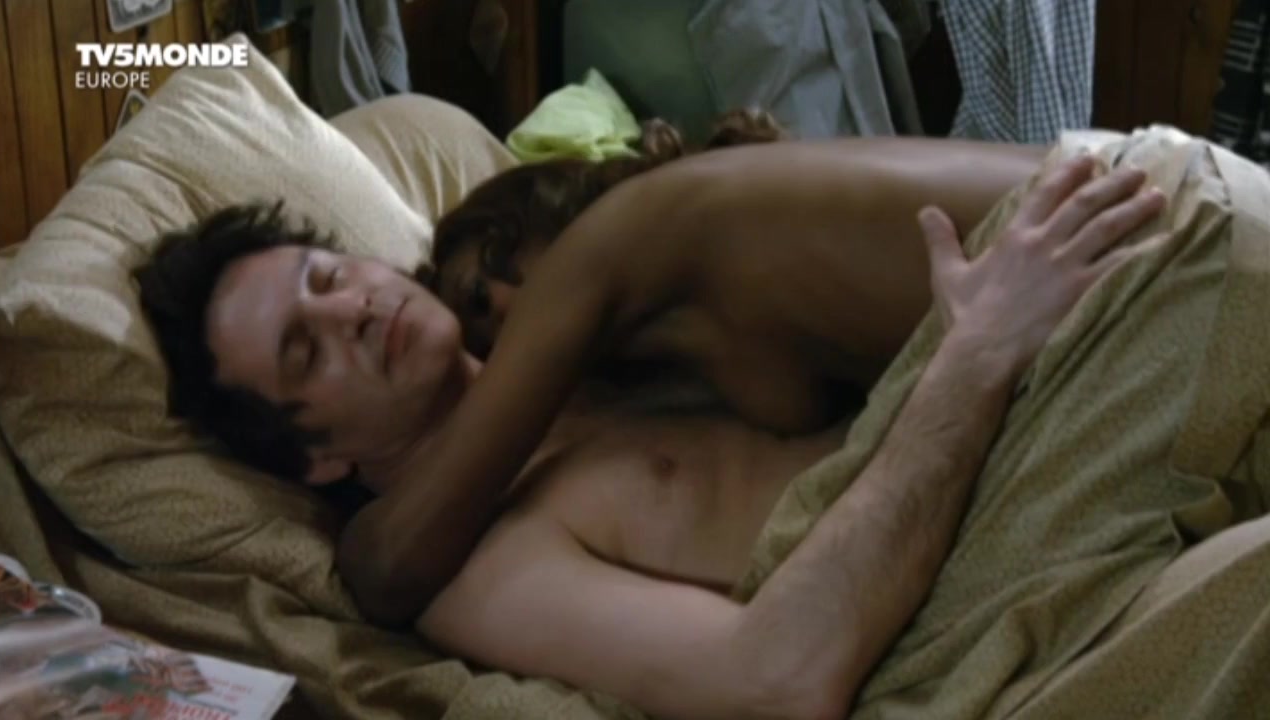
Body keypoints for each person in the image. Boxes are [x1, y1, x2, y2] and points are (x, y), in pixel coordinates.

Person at [135, 138, 1164, 718]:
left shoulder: (595, 345)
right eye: (306, 350)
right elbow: (773, 682)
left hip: (1061, 380)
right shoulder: (479, 569)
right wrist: (974, 358)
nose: (352, 311)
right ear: (320, 458)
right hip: (1005, 522)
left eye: (329, 277)